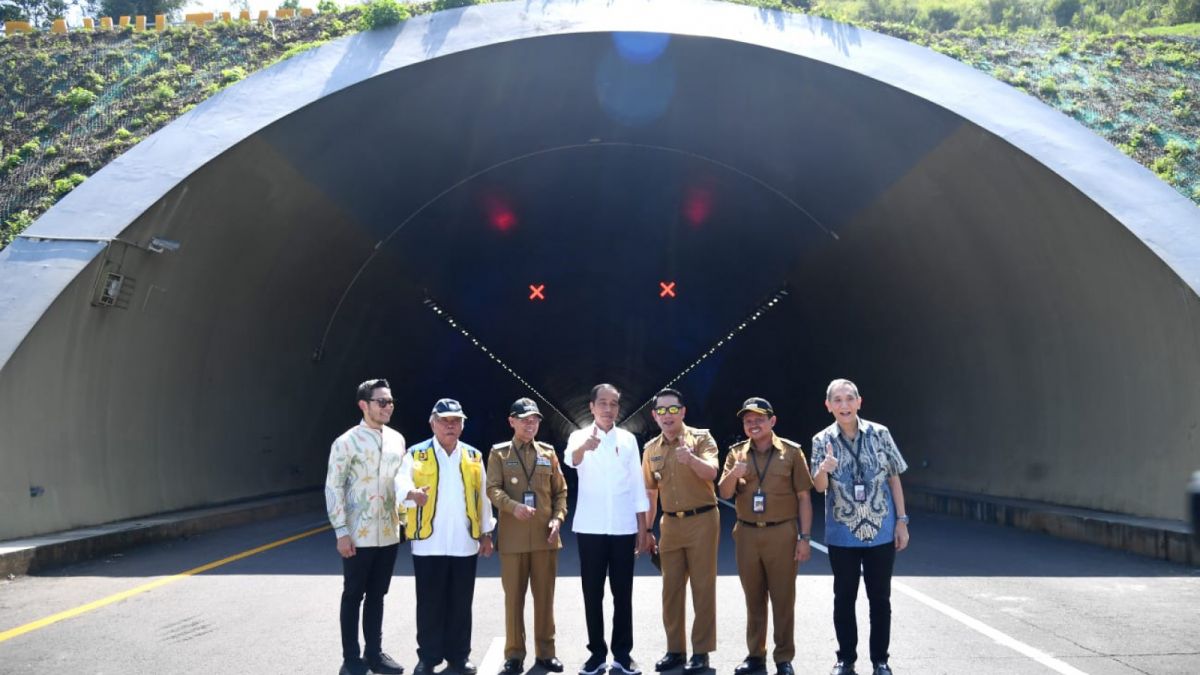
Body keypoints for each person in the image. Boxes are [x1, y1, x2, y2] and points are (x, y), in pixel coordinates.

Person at [810, 379, 910, 675]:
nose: (844, 405)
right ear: (828, 405)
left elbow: (894, 478)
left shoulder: (880, 434)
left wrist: (902, 522)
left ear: (859, 402)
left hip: (881, 529)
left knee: (880, 597)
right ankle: (846, 659)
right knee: (844, 598)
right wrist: (823, 469)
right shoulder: (821, 440)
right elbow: (818, 487)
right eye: (837, 400)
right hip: (843, 533)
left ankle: (880, 659)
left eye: (849, 399)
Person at [397, 398, 496, 675]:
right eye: (444, 420)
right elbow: (400, 482)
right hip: (429, 543)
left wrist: (487, 532)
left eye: (456, 421)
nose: (450, 426)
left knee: (461, 603)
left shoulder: (473, 456)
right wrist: (411, 494)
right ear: (433, 423)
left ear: (463, 425)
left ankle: (459, 656)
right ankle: (428, 657)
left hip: (464, 542)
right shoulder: (416, 454)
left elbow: (483, 498)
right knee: (429, 603)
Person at [717, 397, 814, 675]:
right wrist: (735, 473)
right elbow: (723, 493)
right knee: (753, 598)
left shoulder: (792, 453)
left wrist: (804, 538)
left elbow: (804, 497)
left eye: (759, 419)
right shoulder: (736, 453)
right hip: (747, 533)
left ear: (772, 421)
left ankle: (784, 657)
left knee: (783, 599)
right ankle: (755, 656)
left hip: (782, 532)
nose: (753, 424)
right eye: (748, 420)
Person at [565, 383, 650, 675]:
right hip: (590, 527)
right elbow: (571, 460)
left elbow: (637, 484)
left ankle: (623, 654)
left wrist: (643, 527)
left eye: (613, 403)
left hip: (623, 527)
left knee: (622, 593)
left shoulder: (628, 440)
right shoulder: (579, 436)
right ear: (591, 406)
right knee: (592, 592)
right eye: (602, 403)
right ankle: (596, 653)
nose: (608, 408)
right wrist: (584, 448)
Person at [326, 378, 407, 675]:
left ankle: (375, 654)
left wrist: (405, 522)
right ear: (364, 405)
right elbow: (333, 486)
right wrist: (341, 531)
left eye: (391, 401)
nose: (388, 407)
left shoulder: (398, 440)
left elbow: (402, 483)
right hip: (357, 534)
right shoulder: (346, 442)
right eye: (382, 402)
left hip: (388, 532)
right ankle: (351, 658)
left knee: (378, 595)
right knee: (353, 594)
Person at [487, 398, 569, 675]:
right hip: (514, 539)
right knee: (514, 600)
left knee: (545, 599)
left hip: (545, 540)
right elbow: (493, 489)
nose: (530, 423)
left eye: (534, 419)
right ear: (512, 421)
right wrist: (513, 507)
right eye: (524, 419)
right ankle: (514, 655)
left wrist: (558, 519)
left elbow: (561, 492)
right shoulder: (499, 454)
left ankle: (546, 653)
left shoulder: (548, 453)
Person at [639, 388, 719, 675]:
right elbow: (650, 493)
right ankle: (675, 650)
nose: (667, 415)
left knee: (702, 586)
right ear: (654, 415)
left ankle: (701, 652)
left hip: (703, 520)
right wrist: (646, 529)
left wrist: (692, 460)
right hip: (670, 524)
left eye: (673, 409)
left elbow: (712, 472)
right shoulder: (651, 449)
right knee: (670, 589)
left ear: (683, 412)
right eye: (661, 410)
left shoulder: (701, 438)